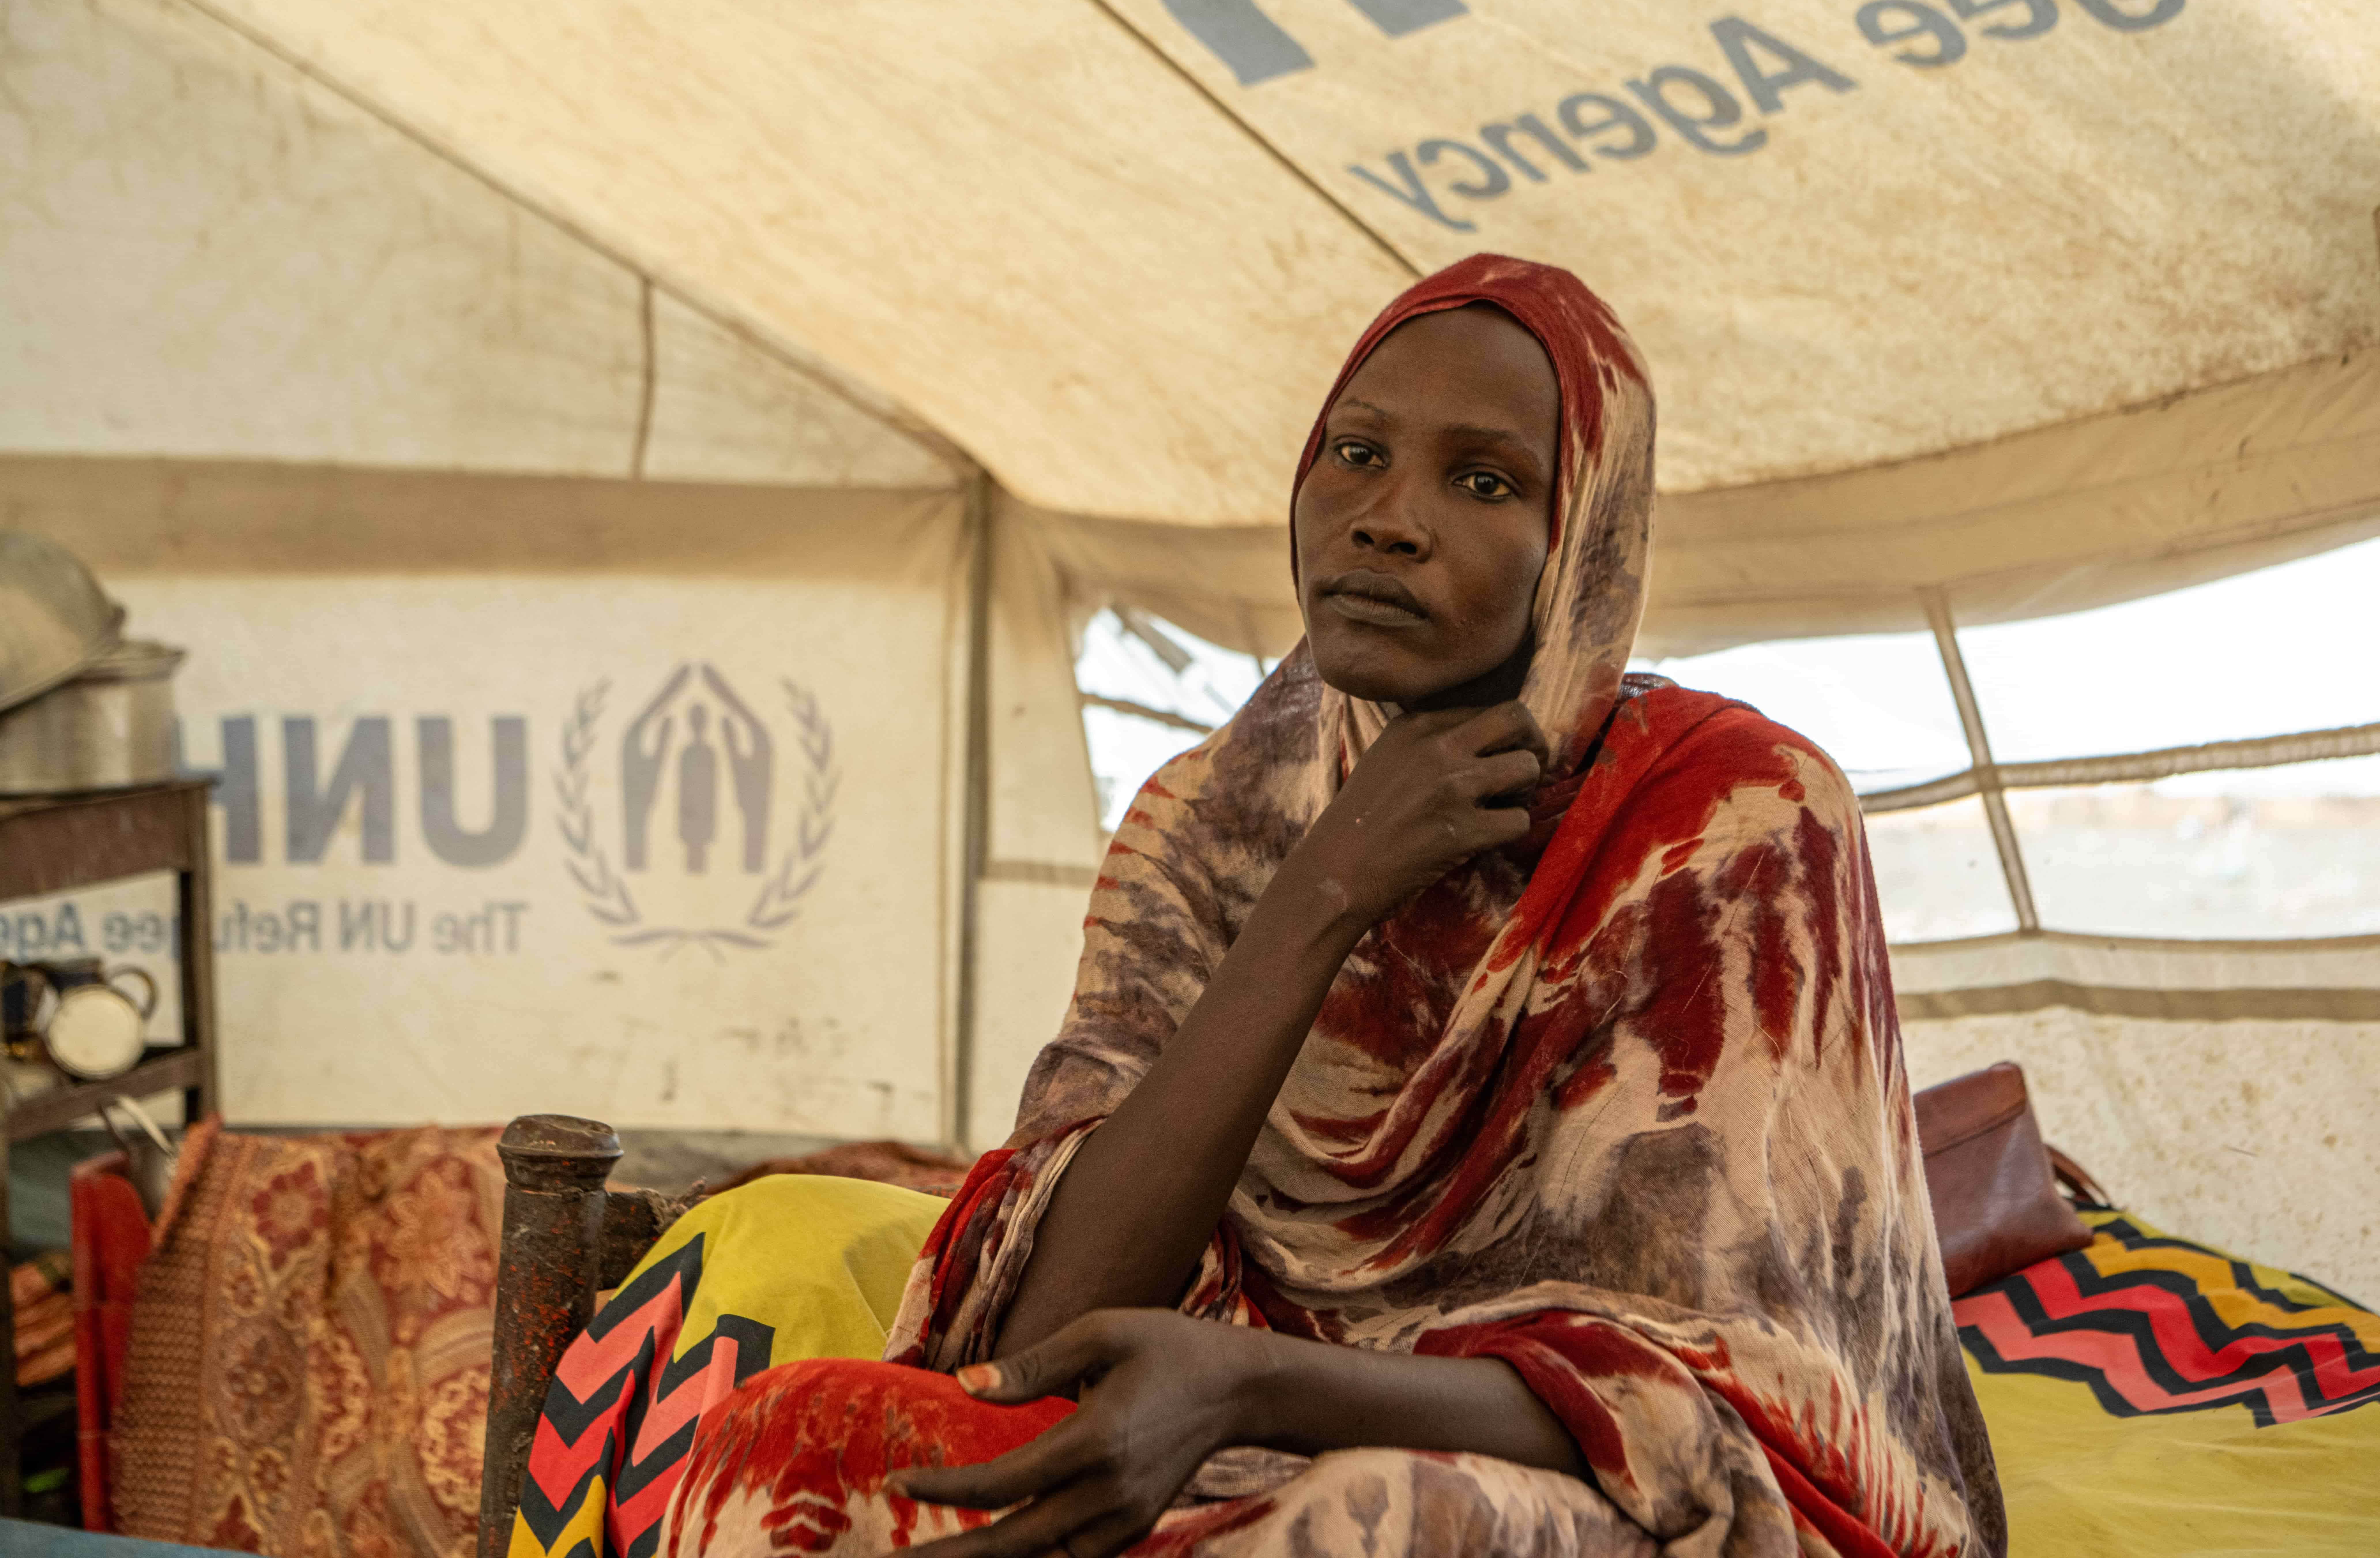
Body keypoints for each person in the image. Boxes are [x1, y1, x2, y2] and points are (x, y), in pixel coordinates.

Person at [513, 254, 2004, 1558]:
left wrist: (1257, 1385)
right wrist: (1321, 894)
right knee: (793, 1439)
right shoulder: (1208, 822)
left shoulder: (1729, 820)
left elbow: (1717, 1405)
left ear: (1586, 549)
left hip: (1565, 1482)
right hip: (1230, 1423)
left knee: (1361, 1524)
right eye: (1354, 455)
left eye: (1483, 481)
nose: (1388, 518)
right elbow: (1047, 1330)